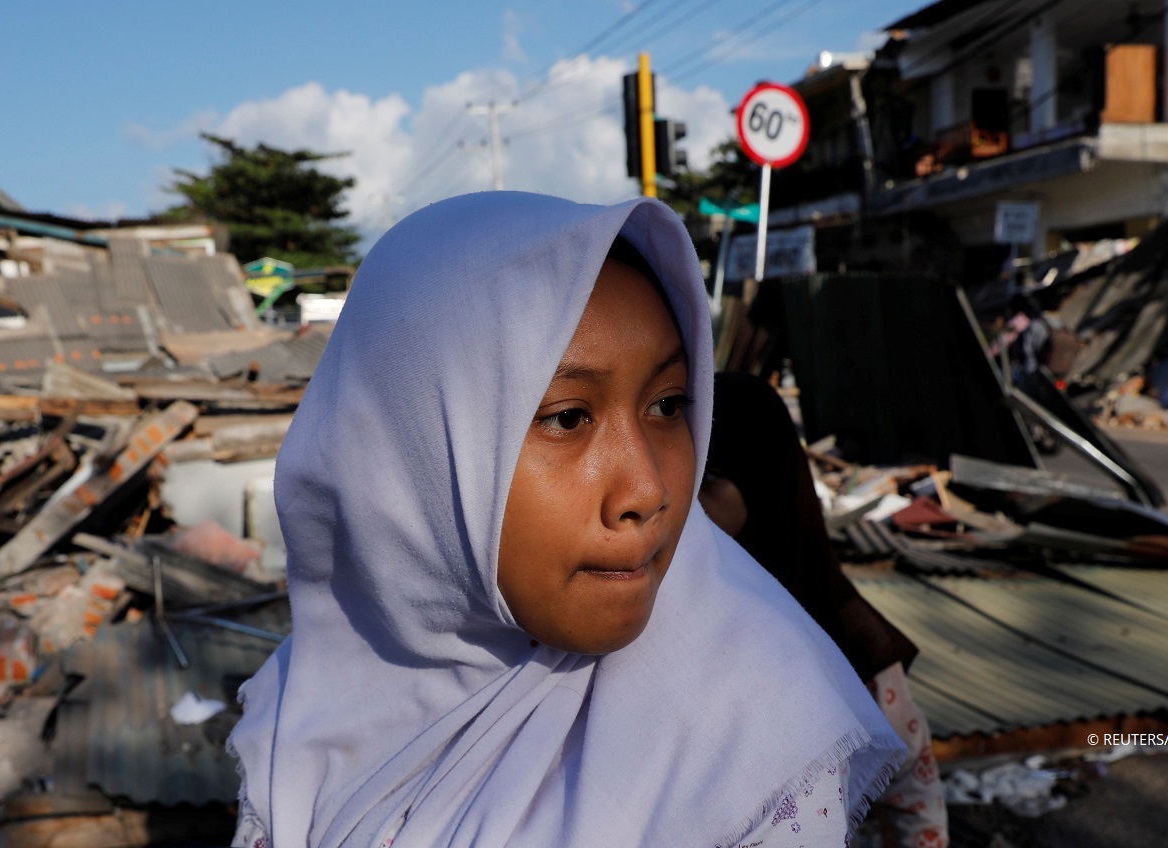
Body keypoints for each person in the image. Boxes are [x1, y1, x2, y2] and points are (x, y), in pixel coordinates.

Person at [227, 191, 905, 847]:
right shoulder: (301, 708)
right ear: (411, 457)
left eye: (669, 406)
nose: (647, 489)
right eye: (569, 417)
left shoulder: (750, 732)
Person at [700, 371, 948, 848]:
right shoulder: (657, 611)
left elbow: (915, 787)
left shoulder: (841, 630)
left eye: (709, 478)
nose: (683, 499)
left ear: (765, 483)